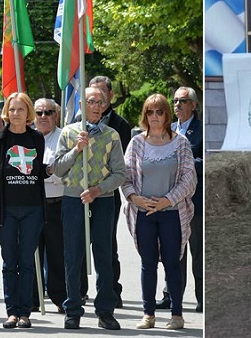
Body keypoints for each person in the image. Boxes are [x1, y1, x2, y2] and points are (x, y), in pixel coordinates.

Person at [53, 87, 126, 330]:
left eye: (100, 102)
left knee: (104, 255)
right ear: (82, 104)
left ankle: (105, 311)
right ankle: (72, 308)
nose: (95, 105)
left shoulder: (112, 135)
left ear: (105, 106)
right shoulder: (68, 132)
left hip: (102, 200)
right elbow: (58, 168)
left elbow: (120, 174)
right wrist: (77, 149)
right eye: (91, 101)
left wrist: (98, 190)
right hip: (74, 200)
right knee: (73, 255)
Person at [122, 94, 196, 330]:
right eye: (150, 112)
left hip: (171, 212)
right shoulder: (136, 143)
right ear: (145, 116)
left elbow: (189, 179)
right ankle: (148, 314)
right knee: (148, 263)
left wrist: (167, 201)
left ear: (166, 114)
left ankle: (176, 314)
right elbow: (126, 178)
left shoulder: (181, 142)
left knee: (173, 263)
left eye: (159, 112)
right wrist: (137, 199)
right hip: (144, 213)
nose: (154, 117)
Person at [0, 92, 46, 329]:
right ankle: (11, 312)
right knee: (9, 262)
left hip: (32, 209)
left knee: (26, 261)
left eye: (21, 109)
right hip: (5, 210)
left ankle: (25, 312)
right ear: (7, 112)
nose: (16, 113)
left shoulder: (37, 138)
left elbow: (40, 172)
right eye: (12, 109)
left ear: (28, 112)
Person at [157, 87, 203, 312]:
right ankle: (172, 296)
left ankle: (203, 298)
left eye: (182, 101)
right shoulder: (169, 130)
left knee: (197, 251)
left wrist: (185, 163)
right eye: (174, 101)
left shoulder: (202, 130)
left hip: (194, 200)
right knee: (174, 252)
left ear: (193, 105)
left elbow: (207, 161)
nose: (177, 105)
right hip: (172, 201)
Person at [87, 75, 131, 308]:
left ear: (110, 97)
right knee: (82, 243)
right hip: (82, 193)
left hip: (106, 193)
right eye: (91, 98)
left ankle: (112, 290)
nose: (97, 102)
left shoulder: (120, 125)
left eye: (101, 96)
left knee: (106, 245)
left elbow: (119, 164)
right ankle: (82, 291)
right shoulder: (78, 121)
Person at [31, 98, 70, 313]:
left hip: (57, 204)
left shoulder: (64, 137)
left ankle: (59, 297)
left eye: (48, 112)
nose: (43, 116)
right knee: (31, 252)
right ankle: (33, 299)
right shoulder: (27, 138)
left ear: (56, 114)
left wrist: (45, 174)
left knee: (57, 253)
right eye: (39, 113)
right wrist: (48, 173)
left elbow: (64, 174)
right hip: (32, 204)